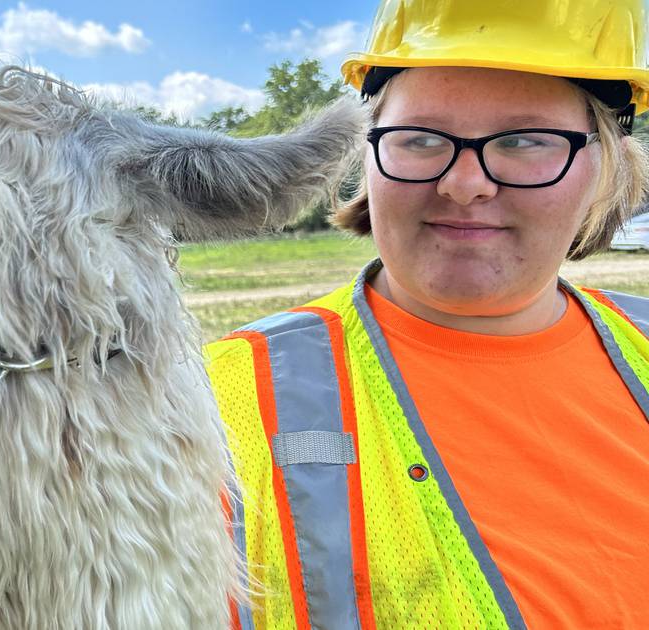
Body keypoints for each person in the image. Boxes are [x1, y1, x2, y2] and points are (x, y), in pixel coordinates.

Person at [206, 1, 649, 628]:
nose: (465, 183)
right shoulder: (214, 405)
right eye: (421, 139)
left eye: (525, 140)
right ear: (367, 157)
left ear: (604, 162)